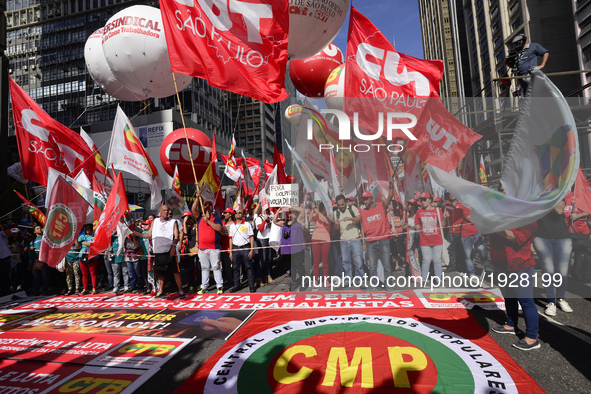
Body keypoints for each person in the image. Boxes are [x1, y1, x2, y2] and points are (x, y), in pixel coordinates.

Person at [490, 184, 540, 350]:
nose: (503, 193)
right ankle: (511, 324)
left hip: (520, 266)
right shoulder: (498, 213)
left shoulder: (528, 216)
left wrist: (495, 223)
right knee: (508, 296)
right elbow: (485, 231)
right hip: (501, 264)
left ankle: (532, 337)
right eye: (501, 190)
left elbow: (514, 238)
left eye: (507, 190)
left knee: (526, 302)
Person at [533, 200, 573, 316]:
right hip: (541, 236)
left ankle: (560, 298)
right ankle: (551, 302)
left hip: (562, 237)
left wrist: (547, 195)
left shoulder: (557, 192)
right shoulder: (533, 193)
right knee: (548, 270)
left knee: (563, 272)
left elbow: (559, 210)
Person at [134, 205, 184, 298]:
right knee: (159, 272)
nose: (166, 212)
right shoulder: (155, 221)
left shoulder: (173, 222)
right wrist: (137, 233)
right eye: (164, 210)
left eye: (168, 210)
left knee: (175, 271)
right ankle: (161, 290)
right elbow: (149, 235)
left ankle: (180, 289)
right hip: (158, 251)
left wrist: (173, 247)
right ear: (160, 212)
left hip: (169, 250)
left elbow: (176, 236)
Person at [360, 179, 395, 288]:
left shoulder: (380, 206)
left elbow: (389, 197)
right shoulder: (363, 212)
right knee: (372, 266)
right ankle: (373, 285)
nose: (364, 201)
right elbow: (362, 228)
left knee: (387, 265)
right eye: (363, 200)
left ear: (371, 199)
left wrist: (391, 187)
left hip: (383, 240)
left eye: (366, 199)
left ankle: (388, 285)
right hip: (370, 242)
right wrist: (364, 242)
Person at [192, 193, 224, 295]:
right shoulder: (199, 217)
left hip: (214, 247)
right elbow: (193, 210)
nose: (206, 206)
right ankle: (204, 286)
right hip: (202, 248)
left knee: (216, 267)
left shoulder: (216, 218)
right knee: (204, 268)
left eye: (209, 205)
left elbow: (219, 228)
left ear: (212, 208)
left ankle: (219, 286)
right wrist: (197, 198)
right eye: (205, 204)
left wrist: (208, 221)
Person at [413, 192, 448, 284]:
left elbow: (442, 225)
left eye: (424, 200)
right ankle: (424, 279)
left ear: (429, 200)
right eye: (421, 200)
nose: (422, 202)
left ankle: (438, 279)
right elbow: (417, 225)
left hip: (437, 240)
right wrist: (414, 227)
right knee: (427, 259)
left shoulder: (437, 210)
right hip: (425, 241)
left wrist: (444, 218)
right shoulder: (419, 212)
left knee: (437, 260)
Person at [273, 206, 307, 291]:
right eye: (290, 212)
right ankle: (293, 282)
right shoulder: (285, 222)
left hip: (297, 248)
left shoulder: (299, 220)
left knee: (299, 266)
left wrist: (290, 207)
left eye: (293, 212)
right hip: (288, 250)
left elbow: (302, 210)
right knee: (292, 267)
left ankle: (303, 282)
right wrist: (278, 211)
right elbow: (274, 221)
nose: (291, 214)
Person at [333, 194, 365, 281]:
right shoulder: (336, 213)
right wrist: (336, 223)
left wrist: (351, 218)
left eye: (342, 204)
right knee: (346, 262)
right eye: (339, 205)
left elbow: (359, 218)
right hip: (343, 240)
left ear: (345, 203)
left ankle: (360, 279)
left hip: (355, 238)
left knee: (358, 261)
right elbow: (336, 229)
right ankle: (348, 279)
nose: (341, 206)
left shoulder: (352, 208)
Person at [229, 208, 256, 292]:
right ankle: (236, 285)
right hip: (235, 248)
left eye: (240, 213)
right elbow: (230, 239)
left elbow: (251, 237)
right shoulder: (232, 226)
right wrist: (230, 251)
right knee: (235, 268)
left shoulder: (247, 224)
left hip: (245, 247)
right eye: (236, 213)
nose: (237, 214)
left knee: (249, 267)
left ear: (243, 215)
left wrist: (251, 250)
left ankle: (251, 285)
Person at [309, 202, 331, 284]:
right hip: (315, 239)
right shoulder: (317, 215)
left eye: (324, 209)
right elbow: (309, 220)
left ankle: (326, 279)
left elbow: (327, 222)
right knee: (316, 261)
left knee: (325, 261)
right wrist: (313, 210)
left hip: (326, 240)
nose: (323, 211)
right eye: (322, 209)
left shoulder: (329, 216)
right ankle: (315, 279)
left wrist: (318, 213)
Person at [25, 224, 50, 295]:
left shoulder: (44, 238)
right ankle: (36, 290)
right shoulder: (32, 240)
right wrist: (29, 249)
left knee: (44, 275)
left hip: (42, 259)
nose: (39, 229)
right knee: (36, 276)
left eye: (40, 228)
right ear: (34, 231)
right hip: (33, 259)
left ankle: (45, 289)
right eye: (37, 228)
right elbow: (25, 249)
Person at [253, 205, 275, 285]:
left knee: (269, 258)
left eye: (266, 209)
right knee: (262, 259)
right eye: (263, 209)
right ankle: (259, 278)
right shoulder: (259, 218)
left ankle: (267, 276)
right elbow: (261, 229)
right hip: (262, 239)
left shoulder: (270, 216)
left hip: (269, 238)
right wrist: (264, 220)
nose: (265, 210)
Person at [443, 193, 464, 273]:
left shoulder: (461, 205)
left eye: (453, 193)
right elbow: (442, 218)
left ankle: (461, 266)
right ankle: (452, 266)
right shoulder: (445, 205)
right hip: (449, 231)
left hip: (460, 230)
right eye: (450, 194)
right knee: (451, 250)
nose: (452, 195)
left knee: (460, 250)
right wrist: (445, 216)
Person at [78, 224, 99, 295]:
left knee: (93, 273)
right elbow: (78, 245)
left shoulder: (95, 235)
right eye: (85, 228)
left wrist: (83, 242)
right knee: (84, 274)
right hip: (82, 256)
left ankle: (94, 288)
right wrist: (75, 238)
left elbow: (93, 244)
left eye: (88, 228)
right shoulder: (82, 236)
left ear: (91, 228)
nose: (87, 229)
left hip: (93, 256)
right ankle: (85, 289)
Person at [0, 224, 12, 295]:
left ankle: (7, 290)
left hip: (4, 257)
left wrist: (3, 227)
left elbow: (9, 233)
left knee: (5, 275)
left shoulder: (2, 233)